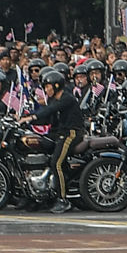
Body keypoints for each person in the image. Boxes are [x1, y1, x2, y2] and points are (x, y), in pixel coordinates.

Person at [19, 69, 83, 214]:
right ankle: (40, 196)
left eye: (47, 86)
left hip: (71, 133)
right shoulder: (55, 100)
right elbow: (48, 117)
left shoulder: (66, 98)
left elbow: (50, 110)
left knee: (56, 163)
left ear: (56, 86)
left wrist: (32, 118)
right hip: (60, 133)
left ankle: (63, 200)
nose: (45, 90)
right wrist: (25, 119)